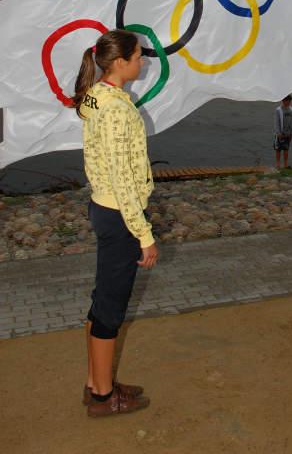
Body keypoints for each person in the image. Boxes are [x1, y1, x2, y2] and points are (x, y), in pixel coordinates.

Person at [71, 29, 158, 417]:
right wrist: (145, 236)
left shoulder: (95, 96)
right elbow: (124, 180)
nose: (142, 62)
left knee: (100, 302)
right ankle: (104, 399)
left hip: (102, 208)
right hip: (119, 214)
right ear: (120, 63)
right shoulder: (118, 108)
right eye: (138, 56)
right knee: (110, 310)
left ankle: (96, 382)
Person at [273, 94, 292, 168]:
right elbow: (276, 122)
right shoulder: (278, 110)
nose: (288, 102)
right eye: (287, 101)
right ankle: (278, 164)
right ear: (283, 101)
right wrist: (278, 133)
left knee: (286, 149)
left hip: (288, 133)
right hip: (280, 133)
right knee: (278, 149)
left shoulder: (291, 110)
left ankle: (285, 164)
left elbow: (291, 122)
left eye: (289, 101)